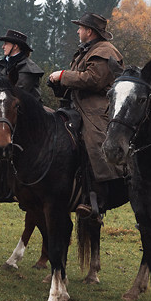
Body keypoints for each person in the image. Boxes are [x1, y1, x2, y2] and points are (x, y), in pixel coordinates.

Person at [47, 12, 124, 216]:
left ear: (89, 31)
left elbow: (93, 79)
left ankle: (96, 198)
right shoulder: (87, 50)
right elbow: (79, 81)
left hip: (97, 109)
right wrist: (58, 84)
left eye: (80, 27)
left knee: (93, 141)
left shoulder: (106, 51)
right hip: (76, 106)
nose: (78, 30)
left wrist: (64, 76)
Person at [0, 29, 44, 101]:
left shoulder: (29, 68)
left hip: (27, 109)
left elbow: (17, 91)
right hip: (5, 105)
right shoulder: (2, 64)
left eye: (6, 43)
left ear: (15, 46)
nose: (3, 47)